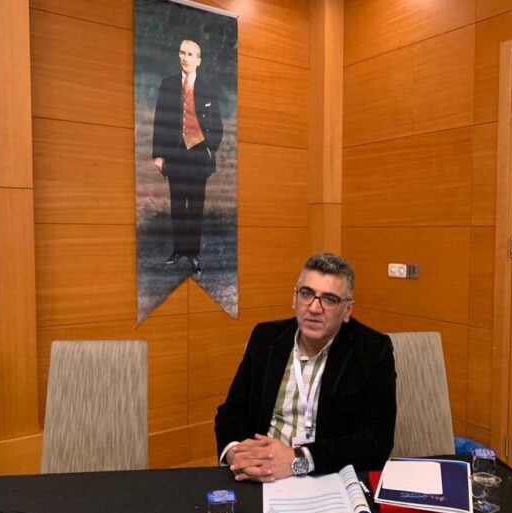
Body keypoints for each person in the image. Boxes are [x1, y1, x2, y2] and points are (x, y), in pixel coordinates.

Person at [215, 253, 397, 482]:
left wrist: (297, 459)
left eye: (329, 299)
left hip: (326, 476)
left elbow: (376, 441)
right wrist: (236, 453)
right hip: (262, 473)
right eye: (307, 294)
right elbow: (232, 411)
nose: (314, 308)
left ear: (347, 311)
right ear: (295, 298)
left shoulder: (372, 350)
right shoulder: (265, 338)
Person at [152, 39, 223, 276]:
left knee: (195, 205)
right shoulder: (167, 84)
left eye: (190, 54)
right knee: (176, 204)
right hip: (174, 152)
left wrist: (209, 150)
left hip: (199, 153)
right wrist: (159, 155)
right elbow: (159, 121)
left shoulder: (208, 88)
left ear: (198, 61)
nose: (185, 57)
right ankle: (178, 250)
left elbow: (218, 125)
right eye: (182, 52)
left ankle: (193, 253)